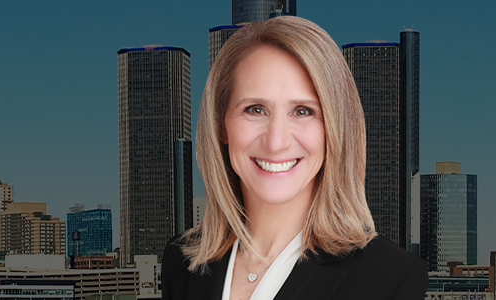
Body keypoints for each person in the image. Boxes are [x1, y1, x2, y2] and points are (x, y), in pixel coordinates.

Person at [160, 16, 426, 300]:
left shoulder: (392, 277)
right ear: (220, 124)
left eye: (302, 111)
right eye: (255, 109)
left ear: (334, 129)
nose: (276, 142)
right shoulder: (181, 261)